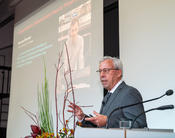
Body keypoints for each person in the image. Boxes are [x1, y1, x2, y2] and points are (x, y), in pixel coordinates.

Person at [68, 56, 147, 128]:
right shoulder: (108, 95)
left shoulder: (129, 93)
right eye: (100, 71)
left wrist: (108, 121)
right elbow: (101, 128)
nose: (101, 75)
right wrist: (82, 118)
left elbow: (138, 124)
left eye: (106, 70)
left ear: (118, 73)